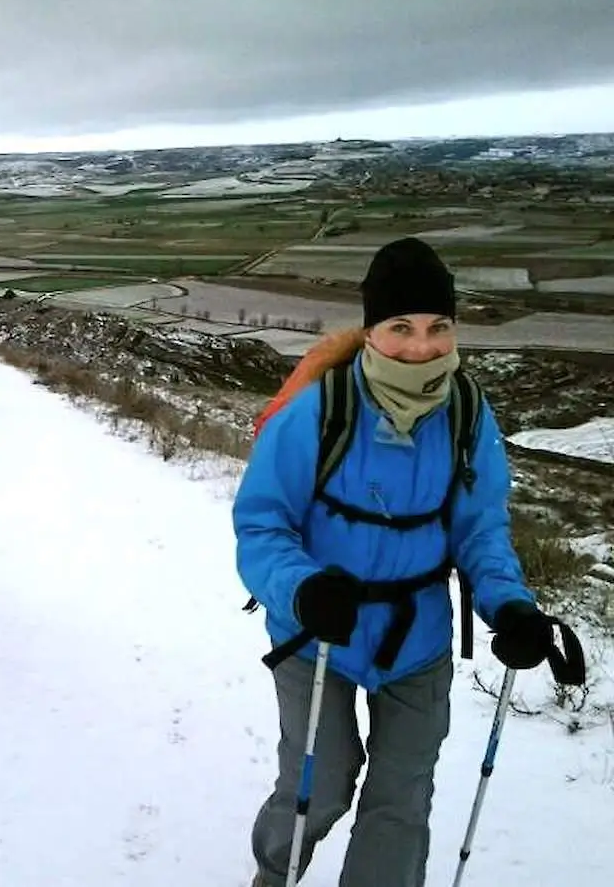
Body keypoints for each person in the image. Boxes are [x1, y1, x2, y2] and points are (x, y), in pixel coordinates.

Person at [233, 237, 567, 887]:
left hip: (417, 640)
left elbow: (479, 530)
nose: (422, 347)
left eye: (439, 326)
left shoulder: (467, 415)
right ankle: (273, 876)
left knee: (401, 801)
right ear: (371, 331)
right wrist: (301, 590)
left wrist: (508, 604)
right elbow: (261, 525)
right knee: (318, 783)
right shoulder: (317, 414)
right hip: (314, 633)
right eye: (401, 327)